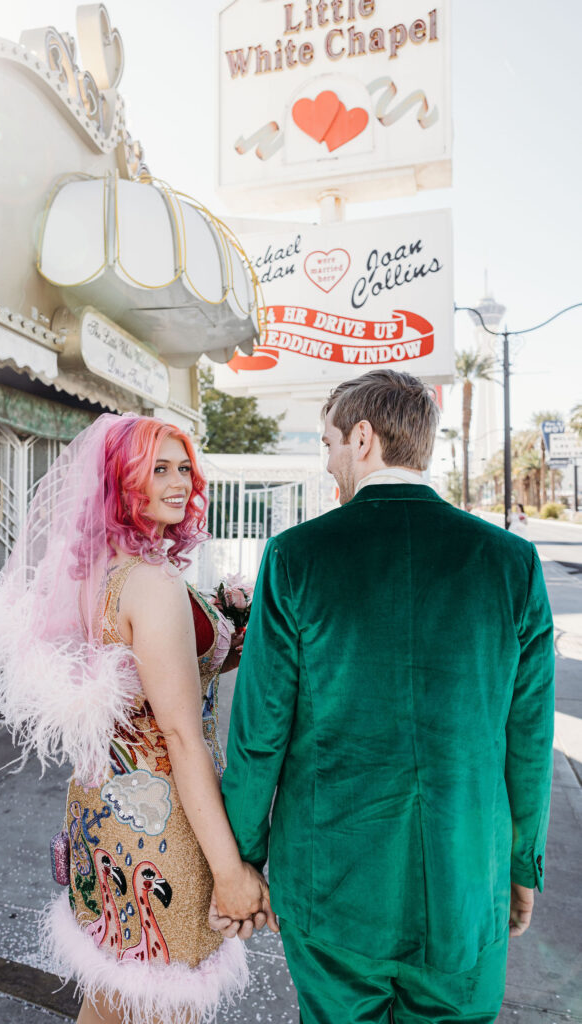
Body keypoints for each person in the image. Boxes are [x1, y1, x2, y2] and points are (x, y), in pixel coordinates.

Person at [218, 370, 555, 1023]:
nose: (326, 462)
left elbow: (258, 736)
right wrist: (520, 866)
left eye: (327, 443)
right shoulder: (511, 564)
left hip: (329, 888)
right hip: (466, 885)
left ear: (362, 437)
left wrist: (240, 860)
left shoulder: (294, 557)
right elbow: (528, 743)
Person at [0, 413, 275, 1024]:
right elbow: (180, 733)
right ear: (123, 480)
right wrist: (229, 870)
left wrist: (225, 636)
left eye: (185, 467)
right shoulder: (152, 583)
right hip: (166, 825)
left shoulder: (97, 574)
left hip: (101, 815)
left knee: (111, 998)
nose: (180, 482)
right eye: (159, 469)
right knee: (164, 1002)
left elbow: (143, 685)